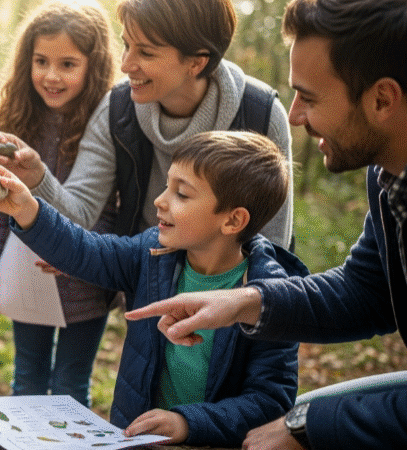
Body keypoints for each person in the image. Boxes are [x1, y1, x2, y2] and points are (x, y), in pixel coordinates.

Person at [124, 1, 407, 449]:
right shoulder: (388, 177)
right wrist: (245, 301)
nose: (293, 115)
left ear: (382, 99)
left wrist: (310, 427)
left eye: (309, 97)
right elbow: (366, 291)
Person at [0, 131, 306, 447]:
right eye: (166, 186)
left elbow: (269, 403)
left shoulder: (272, 300)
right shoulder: (152, 253)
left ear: (233, 221)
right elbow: (86, 251)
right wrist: (27, 210)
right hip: (135, 438)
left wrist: (188, 423)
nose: (160, 201)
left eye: (182, 193)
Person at [0, 0, 293, 249]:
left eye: (145, 52)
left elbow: (274, 242)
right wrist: (38, 176)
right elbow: (81, 213)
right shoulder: (118, 108)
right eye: (127, 45)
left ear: (196, 62)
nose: (124, 65)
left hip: (231, 294)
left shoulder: (261, 114)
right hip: (148, 282)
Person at [0, 0, 117, 408]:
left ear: (94, 65)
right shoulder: (17, 122)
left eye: (68, 64)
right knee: (27, 375)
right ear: (26, 61)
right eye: (41, 61)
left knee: (71, 385)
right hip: (26, 277)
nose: (51, 76)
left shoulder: (109, 126)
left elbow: (112, 208)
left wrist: (83, 252)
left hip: (86, 284)